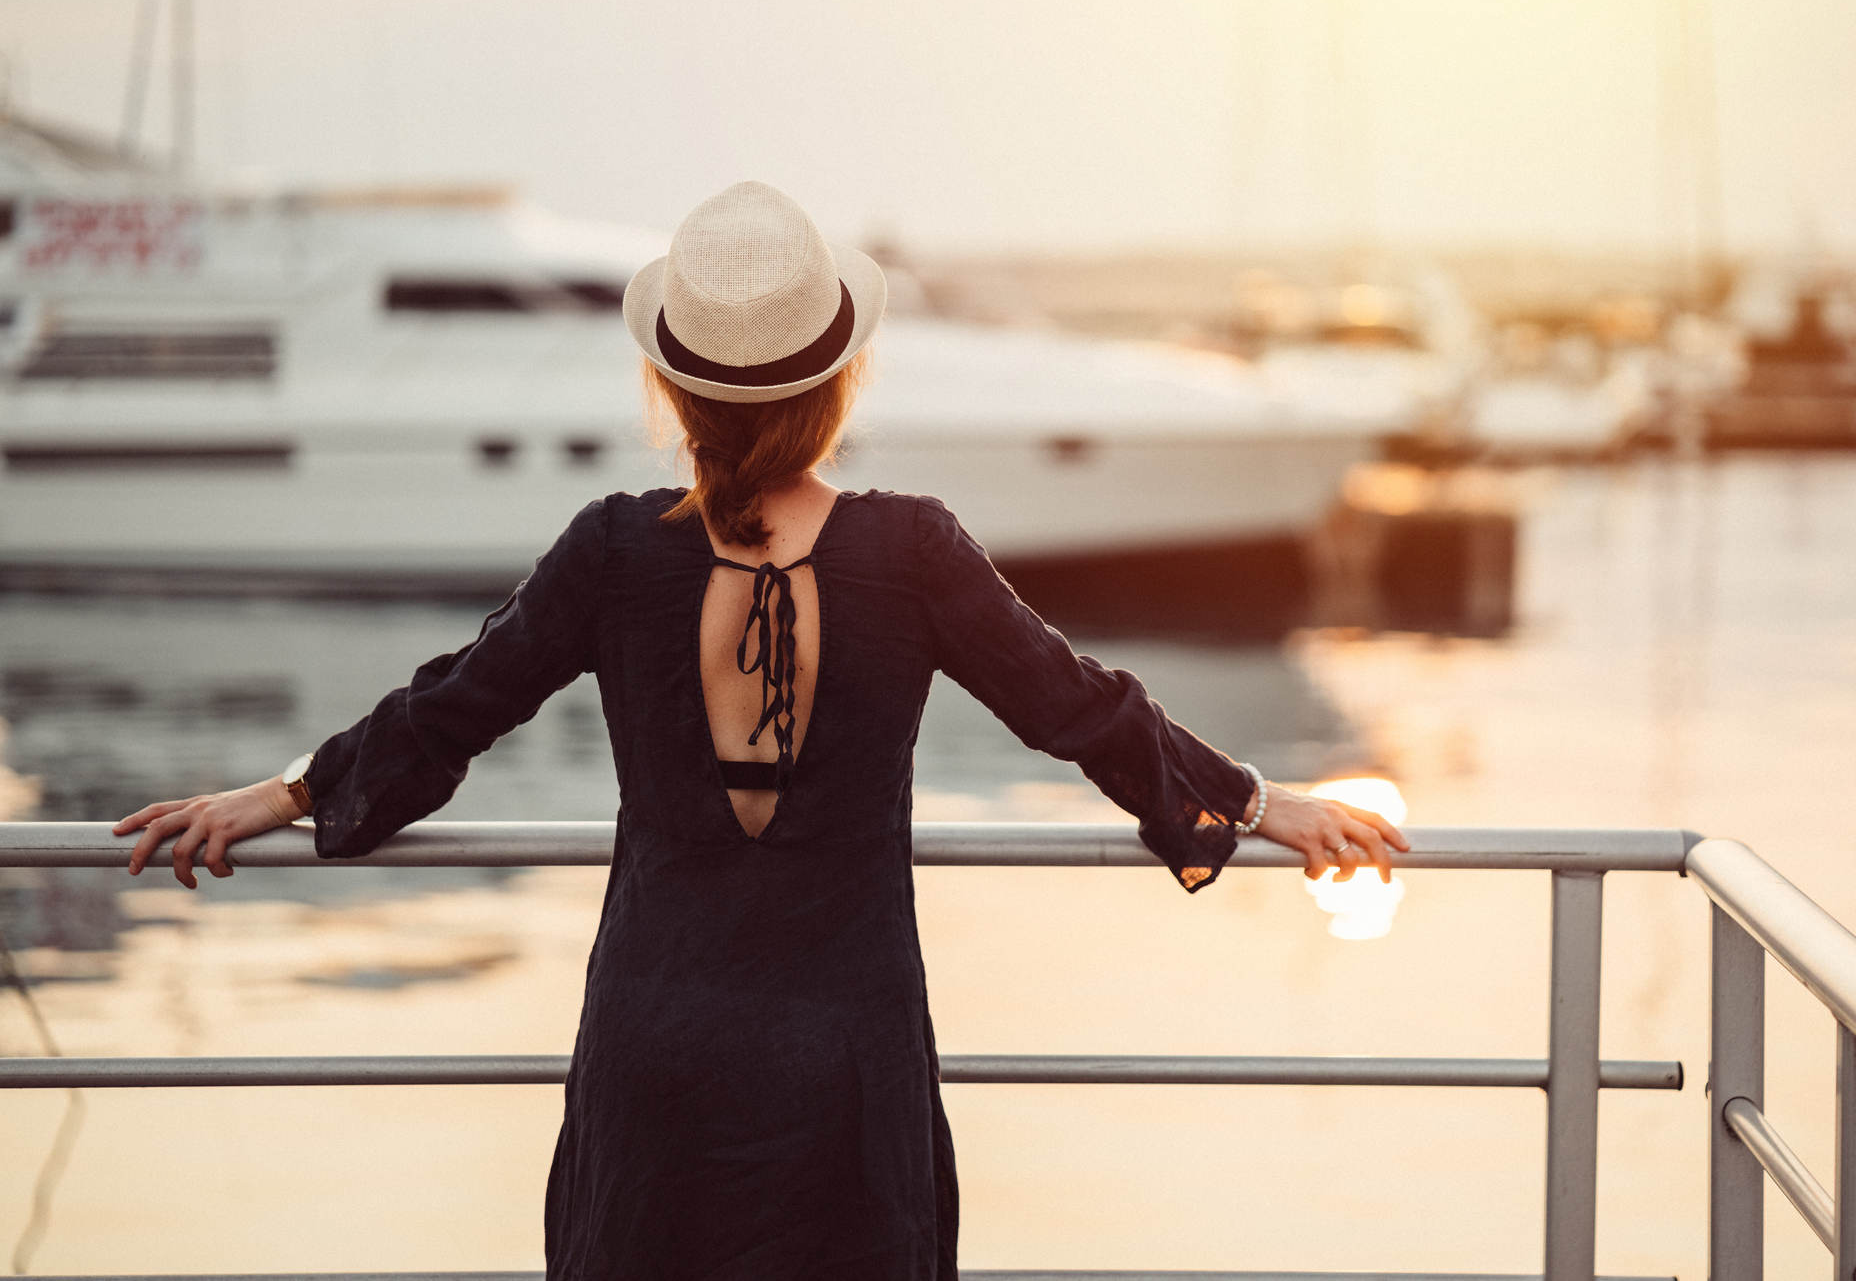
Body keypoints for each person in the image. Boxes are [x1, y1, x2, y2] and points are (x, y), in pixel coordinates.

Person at [114, 181, 1410, 1280]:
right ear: (836, 380)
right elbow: (1077, 705)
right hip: (841, 1065)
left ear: (671, 386)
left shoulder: (613, 549)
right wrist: (1258, 804)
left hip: (655, 1049)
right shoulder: (913, 548)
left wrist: (280, 795)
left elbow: (451, 709)